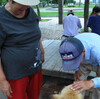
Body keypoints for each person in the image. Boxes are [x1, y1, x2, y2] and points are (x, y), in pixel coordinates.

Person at [0, 0, 45, 99]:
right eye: (21, 7)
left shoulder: (30, 11)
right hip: (16, 73)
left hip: (35, 67)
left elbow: (36, 33)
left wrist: (41, 50)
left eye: (27, 6)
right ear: (10, 1)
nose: (25, 8)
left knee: (34, 96)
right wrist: (2, 80)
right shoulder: (1, 18)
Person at [59, 33, 100, 99]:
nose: (73, 64)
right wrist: (76, 69)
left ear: (83, 52)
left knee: (99, 86)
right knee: (78, 85)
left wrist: (91, 82)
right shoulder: (67, 48)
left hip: (96, 58)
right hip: (84, 61)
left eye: (75, 62)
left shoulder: (98, 51)